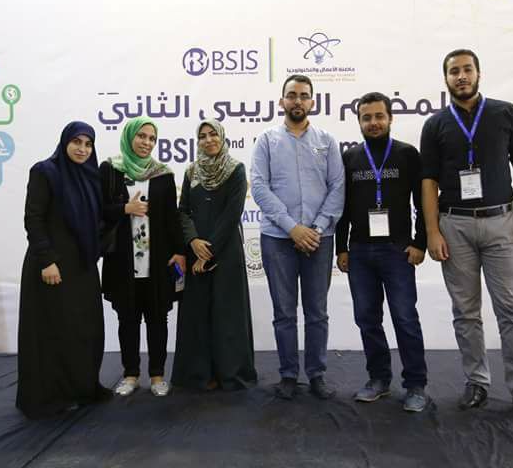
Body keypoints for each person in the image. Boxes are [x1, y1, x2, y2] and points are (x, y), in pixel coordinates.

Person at [420, 49, 513, 418]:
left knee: (512, 309)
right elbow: (428, 182)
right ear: (446, 79)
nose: (461, 76)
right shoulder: (435, 125)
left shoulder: (505, 113)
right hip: (454, 226)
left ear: (478, 73)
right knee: (465, 311)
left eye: (467, 70)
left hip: (501, 224)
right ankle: (476, 382)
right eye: (454, 71)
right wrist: (432, 232)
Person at [250, 74, 345, 400]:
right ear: (282, 101)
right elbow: (259, 187)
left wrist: (315, 228)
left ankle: (317, 374)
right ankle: (289, 374)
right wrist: (292, 227)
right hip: (278, 238)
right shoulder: (266, 141)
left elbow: (337, 187)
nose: (298, 101)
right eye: (292, 95)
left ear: (312, 102)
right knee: (284, 313)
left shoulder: (327, 141)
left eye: (304, 95)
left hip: (319, 239)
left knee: (317, 312)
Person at [335, 92, 429, 412]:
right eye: (367, 118)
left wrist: (420, 242)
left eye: (379, 116)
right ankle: (379, 379)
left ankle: (415, 385)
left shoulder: (407, 154)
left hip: (398, 251)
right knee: (367, 319)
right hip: (360, 252)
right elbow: (342, 208)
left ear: (390, 118)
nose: (373, 123)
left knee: (405, 317)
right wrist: (342, 247)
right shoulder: (350, 158)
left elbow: (423, 202)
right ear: (359, 121)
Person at [17, 121, 111, 418]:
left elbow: (99, 218)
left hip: (82, 266)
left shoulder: (91, 177)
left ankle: (82, 387)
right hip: (52, 266)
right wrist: (47, 260)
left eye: (88, 144)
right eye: (77, 142)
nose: (82, 149)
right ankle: (52, 395)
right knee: (54, 331)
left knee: (84, 329)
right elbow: (33, 218)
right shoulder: (46, 172)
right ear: (65, 142)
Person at [100, 117, 185, 397]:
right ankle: (131, 374)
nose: (146, 142)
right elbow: (100, 210)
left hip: (157, 261)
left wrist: (179, 251)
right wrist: (125, 208)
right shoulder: (110, 169)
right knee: (128, 319)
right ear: (129, 137)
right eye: (141, 136)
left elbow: (172, 217)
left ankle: (158, 375)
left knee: (158, 318)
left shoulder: (163, 174)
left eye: (152, 138)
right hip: (123, 261)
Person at [171, 119, 257, 391]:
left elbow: (232, 215)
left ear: (222, 137)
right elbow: (183, 211)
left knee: (227, 314)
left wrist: (206, 253)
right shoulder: (192, 171)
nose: (208, 140)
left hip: (225, 252)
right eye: (202, 136)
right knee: (197, 315)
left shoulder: (235, 169)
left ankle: (229, 373)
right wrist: (193, 240)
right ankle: (200, 374)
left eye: (213, 134)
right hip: (195, 250)